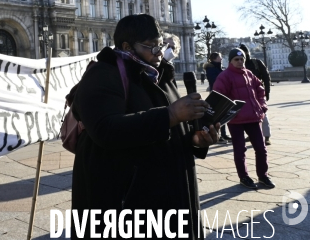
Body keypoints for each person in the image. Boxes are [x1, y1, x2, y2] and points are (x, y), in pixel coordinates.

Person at [71, 14, 219, 239]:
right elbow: (105, 130)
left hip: (171, 196)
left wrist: (195, 141)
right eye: (151, 46)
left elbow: (171, 130)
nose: (159, 52)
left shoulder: (160, 75)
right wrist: (170, 114)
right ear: (126, 46)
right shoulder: (103, 75)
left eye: (161, 45)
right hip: (127, 202)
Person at [213, 48, 274, 190]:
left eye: (242, 60)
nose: (240, 62)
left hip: (253, 117)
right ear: (231, 61)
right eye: (237, 59)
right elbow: (218, 96)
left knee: (261, 148)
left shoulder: (249, 74)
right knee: (240, 150)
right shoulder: (225, 76)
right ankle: (244, 177)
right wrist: (228, 112)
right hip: (236, 120)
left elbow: (260, 90)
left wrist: (262, 106)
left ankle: (263, 175)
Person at [239, 43, 272, 145]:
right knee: (248, 115)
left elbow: (266, 77)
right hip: (244, 94)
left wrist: (267, 91)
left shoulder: (256, 62)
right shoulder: (238, 65)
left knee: (263, 113)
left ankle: (266, 136)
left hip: (257, 92)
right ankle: (251, 134)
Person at [204, 52, 231, 142]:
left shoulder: (219, 68)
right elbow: (214, 80)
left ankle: (223, 134)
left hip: (223, 92)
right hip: (216, 93)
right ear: (215, 58)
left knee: (223, 114)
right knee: (218, 115)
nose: (221, 58)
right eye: (220, 56)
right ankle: (218, 135)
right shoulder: (211, 68)